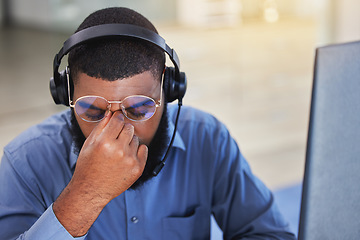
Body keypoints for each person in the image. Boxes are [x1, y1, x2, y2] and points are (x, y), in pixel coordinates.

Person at [0, 7, 296, 240]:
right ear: (66, 94)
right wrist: (85, 194)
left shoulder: (209, 139)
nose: (117, 131)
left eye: (139, 108)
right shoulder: (25, 161)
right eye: (92, 110)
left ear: (169, 89)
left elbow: (270, 233)